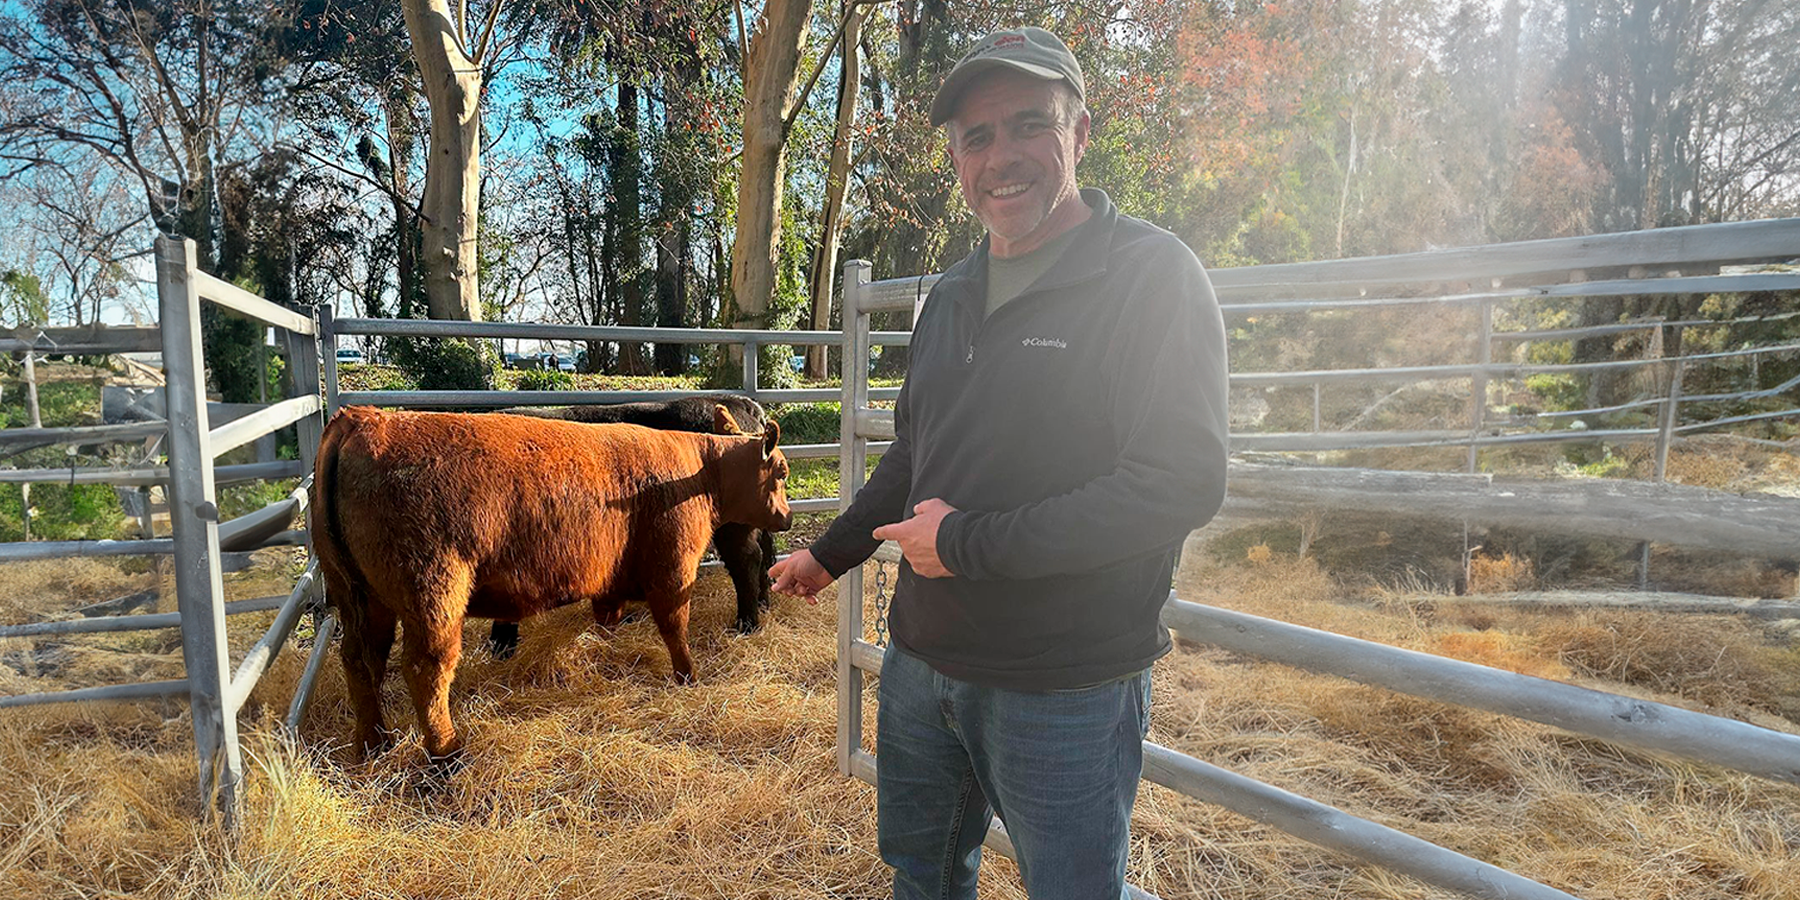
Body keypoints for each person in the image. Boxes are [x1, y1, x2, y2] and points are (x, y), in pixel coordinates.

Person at [769, 25, 1229, 900]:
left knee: (1071, 888)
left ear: (1080, 133)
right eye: (976, 137)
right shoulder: (952, 293)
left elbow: (1180, 481)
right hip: (923, 658)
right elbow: (917, 450)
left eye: (1029, 125)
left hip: (1062, 678)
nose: (1001, 156)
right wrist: (832, 553)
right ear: (956, 158)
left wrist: (971, 544)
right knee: (924, 871)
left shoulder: (1149, 279)